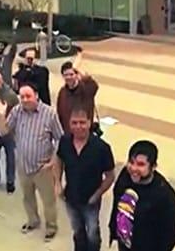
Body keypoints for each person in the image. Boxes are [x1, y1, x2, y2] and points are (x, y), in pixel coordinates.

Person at [0, 83, 63, 242]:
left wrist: (54, 160)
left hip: (43, 167)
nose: (25, 100)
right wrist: (1, 115)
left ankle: (51, 227)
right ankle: (33, 221)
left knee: (48, 200)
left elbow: (60, 138)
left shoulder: (49, 113)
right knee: (27, 197)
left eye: (28, 96)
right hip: (23, 166)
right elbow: (3, 131)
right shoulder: (17, 111)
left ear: (37, 95)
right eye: (22, 97)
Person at [55, 107, 115, 251]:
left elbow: (110, 176)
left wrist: (97, 195)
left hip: (91, 200)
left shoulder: (101, 148)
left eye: (82, 123)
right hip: (70, 197)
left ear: (89, 123)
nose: (78, 127)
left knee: (92, 233)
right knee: (77, 230)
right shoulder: (65, 141)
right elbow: (58, 159)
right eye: (74, 123)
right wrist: (58, 183)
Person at [109, 141, 175, 251]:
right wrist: (114, 231)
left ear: (153, 167)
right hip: (125, 245)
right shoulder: (125, 176)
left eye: (141, 164)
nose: (133, 168)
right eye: (131, 162)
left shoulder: (165, 196)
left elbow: (171, 232)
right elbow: (117, 204)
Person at [56, 57, 99, 135]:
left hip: (85, 133)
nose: (69, 77)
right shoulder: (62, 92)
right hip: (69, 134)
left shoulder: (86, 89)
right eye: (66, 75)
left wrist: (83, 76)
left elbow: (94, 86)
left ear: (76, 75)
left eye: (71, 74)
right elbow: (60, 114)